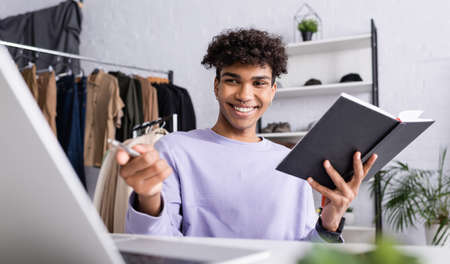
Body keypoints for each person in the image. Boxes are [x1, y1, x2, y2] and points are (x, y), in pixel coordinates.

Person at [117, 28, 377, 242]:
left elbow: (305, 256)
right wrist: (149, 198)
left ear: (272, 90)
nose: (244, 95)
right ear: (216, 86)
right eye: (232, 80)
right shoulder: (175, 150)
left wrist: (330, 221)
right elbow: (157, 249)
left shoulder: (292, 162)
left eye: (259, 83)